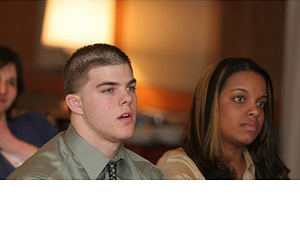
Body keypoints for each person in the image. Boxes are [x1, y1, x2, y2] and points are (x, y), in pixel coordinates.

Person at [8, 43, 165, 180]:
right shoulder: (38, 181)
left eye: (130, 87)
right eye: (109, 90)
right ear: (76, 104)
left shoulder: (150, 175)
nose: (127, 98)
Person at [156, 57, 290, 180]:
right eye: (239, 99)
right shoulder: (178, 166)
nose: (255, 111)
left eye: (261, 103)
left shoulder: (268, 168)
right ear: (210, 104)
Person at [0, 45, 58, 179]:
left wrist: (12, 144)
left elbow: (71, 174)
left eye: (11, 82)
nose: (3, 90)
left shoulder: (36, 124)